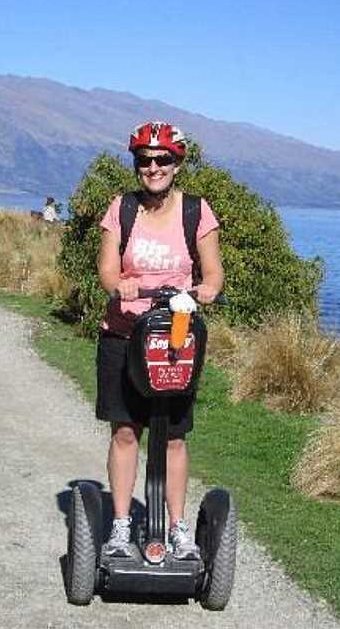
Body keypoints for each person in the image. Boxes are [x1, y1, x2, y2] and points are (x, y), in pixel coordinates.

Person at [95, 121, 224, 559]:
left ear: (176, 163)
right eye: (145, 161)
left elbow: (213, 272)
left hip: (175, 338)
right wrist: (120, 285)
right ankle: (118, 526)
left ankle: (177, 528)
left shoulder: (196, 212)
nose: (153, 168)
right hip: (124, 333)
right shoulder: (122, 208)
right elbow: (107, 268)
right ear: (137, 164)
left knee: (172, 436)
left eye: (162, 160)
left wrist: (207, 288)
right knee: (126, 431)